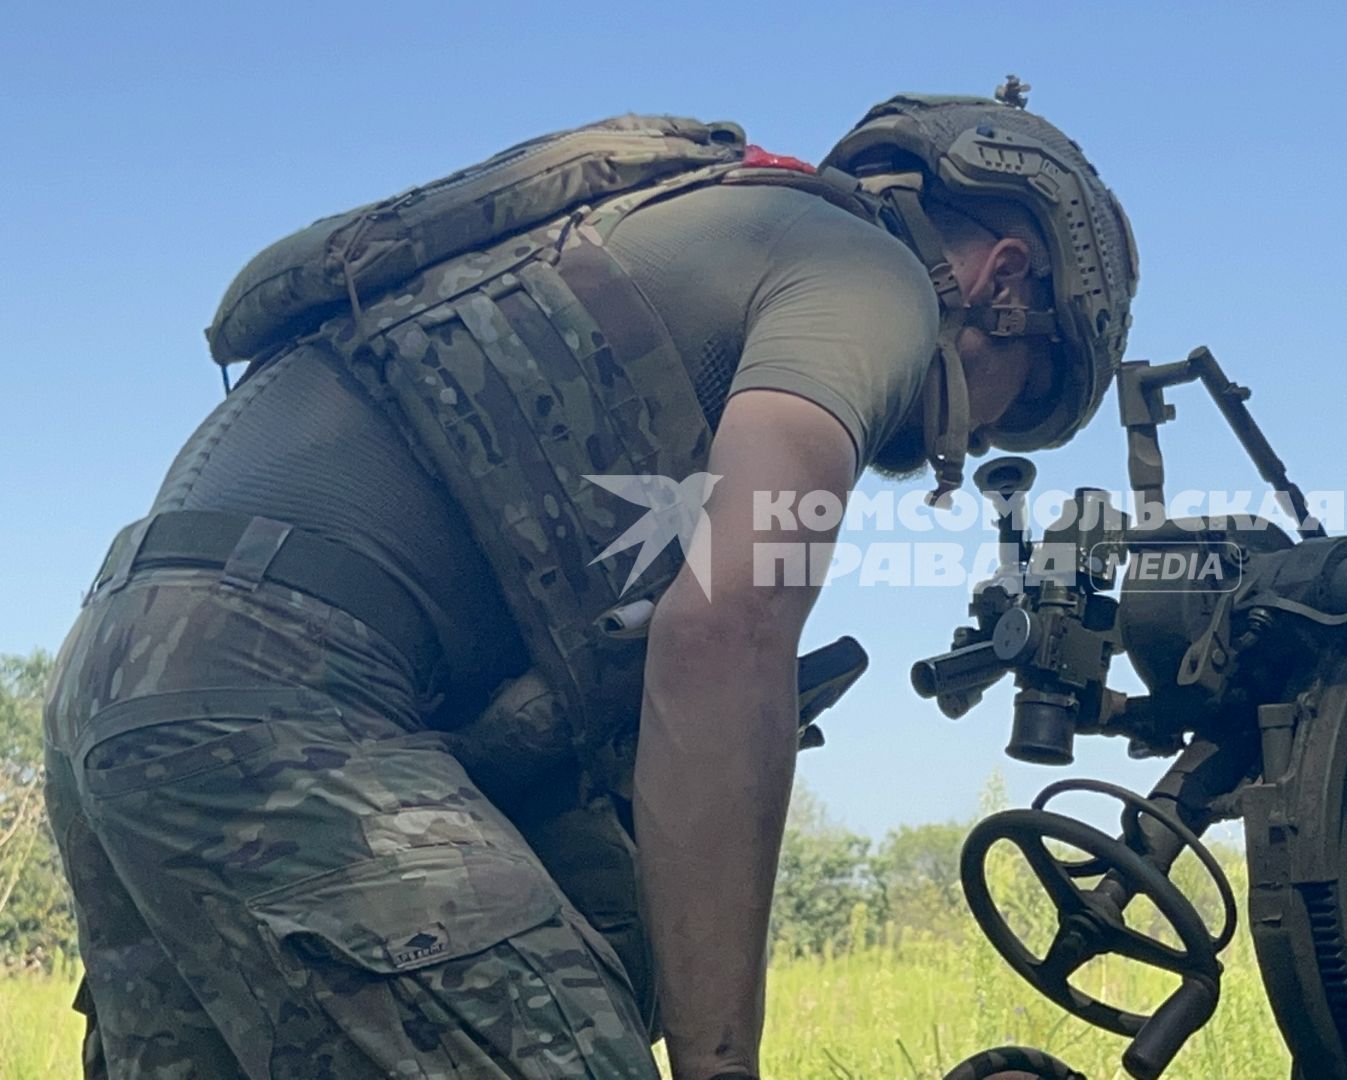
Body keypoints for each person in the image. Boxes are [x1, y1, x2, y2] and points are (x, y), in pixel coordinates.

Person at [43, 86, 1137, 1080]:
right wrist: (721, 1066)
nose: (975, 432)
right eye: (1017, 393)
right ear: (1005, 279)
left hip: (121, 673)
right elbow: (725, 634)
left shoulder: (679, 225)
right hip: (286, 691)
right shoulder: (872, 278)